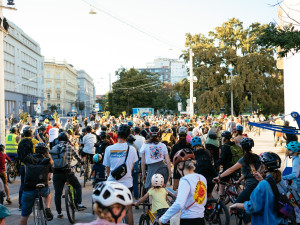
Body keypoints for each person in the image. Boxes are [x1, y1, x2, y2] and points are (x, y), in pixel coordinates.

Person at [230, 152, 287, 225]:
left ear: (264, 167)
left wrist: (236, 205)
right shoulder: (280, 181)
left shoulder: (263, 185)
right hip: (279, 220)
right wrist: (261, 180)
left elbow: (253, 206)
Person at [214, 137, 260, 224]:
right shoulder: (256, 157)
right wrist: (239, 179)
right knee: (246, 206)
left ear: (242, 147)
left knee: (237, 204)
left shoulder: (244, 159)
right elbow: (250, 172)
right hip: (259, 185)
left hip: (251, 187)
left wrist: (219, 177)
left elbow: (231, 170)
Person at [159, 149, 207, 225]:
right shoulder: (202, 178)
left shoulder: (185, 180)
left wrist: (162, 219)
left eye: (177, 168)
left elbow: (179, 204)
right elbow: (201, 200)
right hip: (201, 219)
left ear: (180, 166)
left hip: (188, 220)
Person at [103, 124, 138, 225]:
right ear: (128, 136)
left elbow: (107, 168)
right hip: (127, 184)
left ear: (117, 134)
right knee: (128, 209)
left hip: (112, 183)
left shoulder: (109, 149)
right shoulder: (132, 149)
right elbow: (131, 168)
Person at [51, 132, 86, 218]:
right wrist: (81, 162)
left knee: (58, 193)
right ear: (67, 139)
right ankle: (79, 203)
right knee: (77, 186)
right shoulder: (69, 147)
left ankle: (59, 213)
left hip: (56, 173)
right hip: (67, 172)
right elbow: (77, 157)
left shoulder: (54, 147)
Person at [19, 143, 53, 225]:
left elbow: (26, 173)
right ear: (45, 152)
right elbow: (48, 177)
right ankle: (47, 208)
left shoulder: (28, 159)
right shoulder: (47, 161)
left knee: (24, 216)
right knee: (47, 194)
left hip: (28, 189)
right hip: (42, 187)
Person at [17, 127, 39, 210]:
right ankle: (33, 203)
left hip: (22, 165)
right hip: (31, 165)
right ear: (31, 134)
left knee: (23, 184)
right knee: (34, 184)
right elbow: (42, 145)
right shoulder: (33, 141)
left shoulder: (20, 141)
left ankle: (21, 204)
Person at [170, 126, 191, 190]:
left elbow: (171, 157)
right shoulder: (189, 145)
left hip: (177, 167)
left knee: (175, 187)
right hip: (188, 167)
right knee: (188, 187)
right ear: (186, 135)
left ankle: (175, 199)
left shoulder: (175, 146)